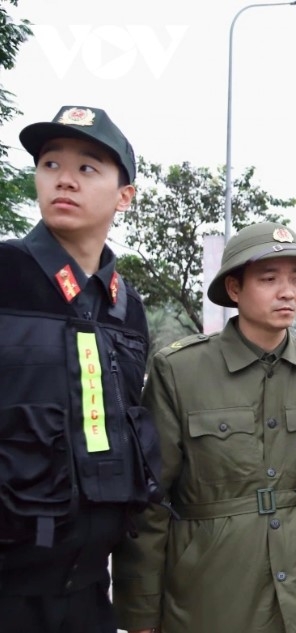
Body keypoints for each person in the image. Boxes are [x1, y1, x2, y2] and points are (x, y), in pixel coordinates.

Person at [111, 222, 296, 633]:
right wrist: (141, 612)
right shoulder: (180, 371)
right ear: (234, 289)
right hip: (209, 592)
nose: (288, 292)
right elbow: (150, 501)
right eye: (269, 279)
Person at [0, 105, 161, 632]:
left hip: (89, 594)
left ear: (124, 196)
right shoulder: (7, 275)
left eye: (87, 168)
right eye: (50, 164)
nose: (63, 180)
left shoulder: (127, 309)